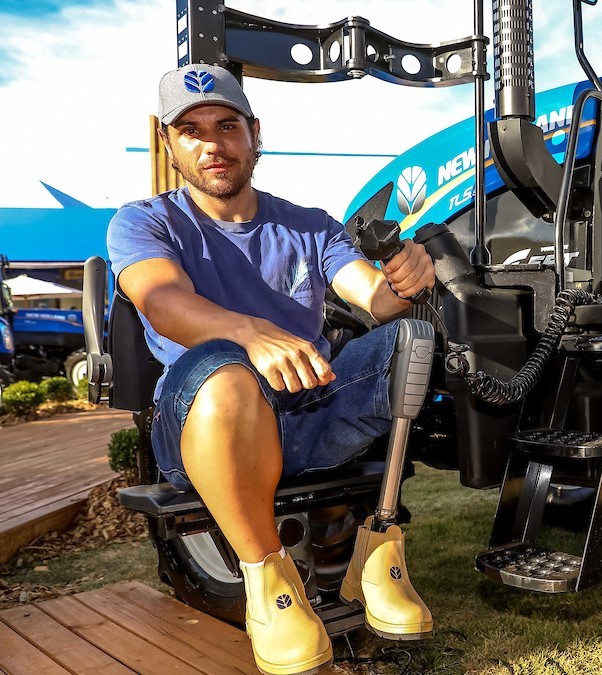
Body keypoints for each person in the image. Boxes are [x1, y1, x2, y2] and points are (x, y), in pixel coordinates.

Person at [108, 64, 434, 675]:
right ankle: (269, 582)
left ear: (255, 132)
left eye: (227, 126)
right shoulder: (144, 221)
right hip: (205, 423)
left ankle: (379, 547)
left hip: (306, 414)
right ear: (170, 144)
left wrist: (405, 279)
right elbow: (162, 302)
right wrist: (247, 332)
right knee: (226, 370)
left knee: (410, 338)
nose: (213, 144)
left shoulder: (309, 223)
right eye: (192, 130)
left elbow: (375, 300)